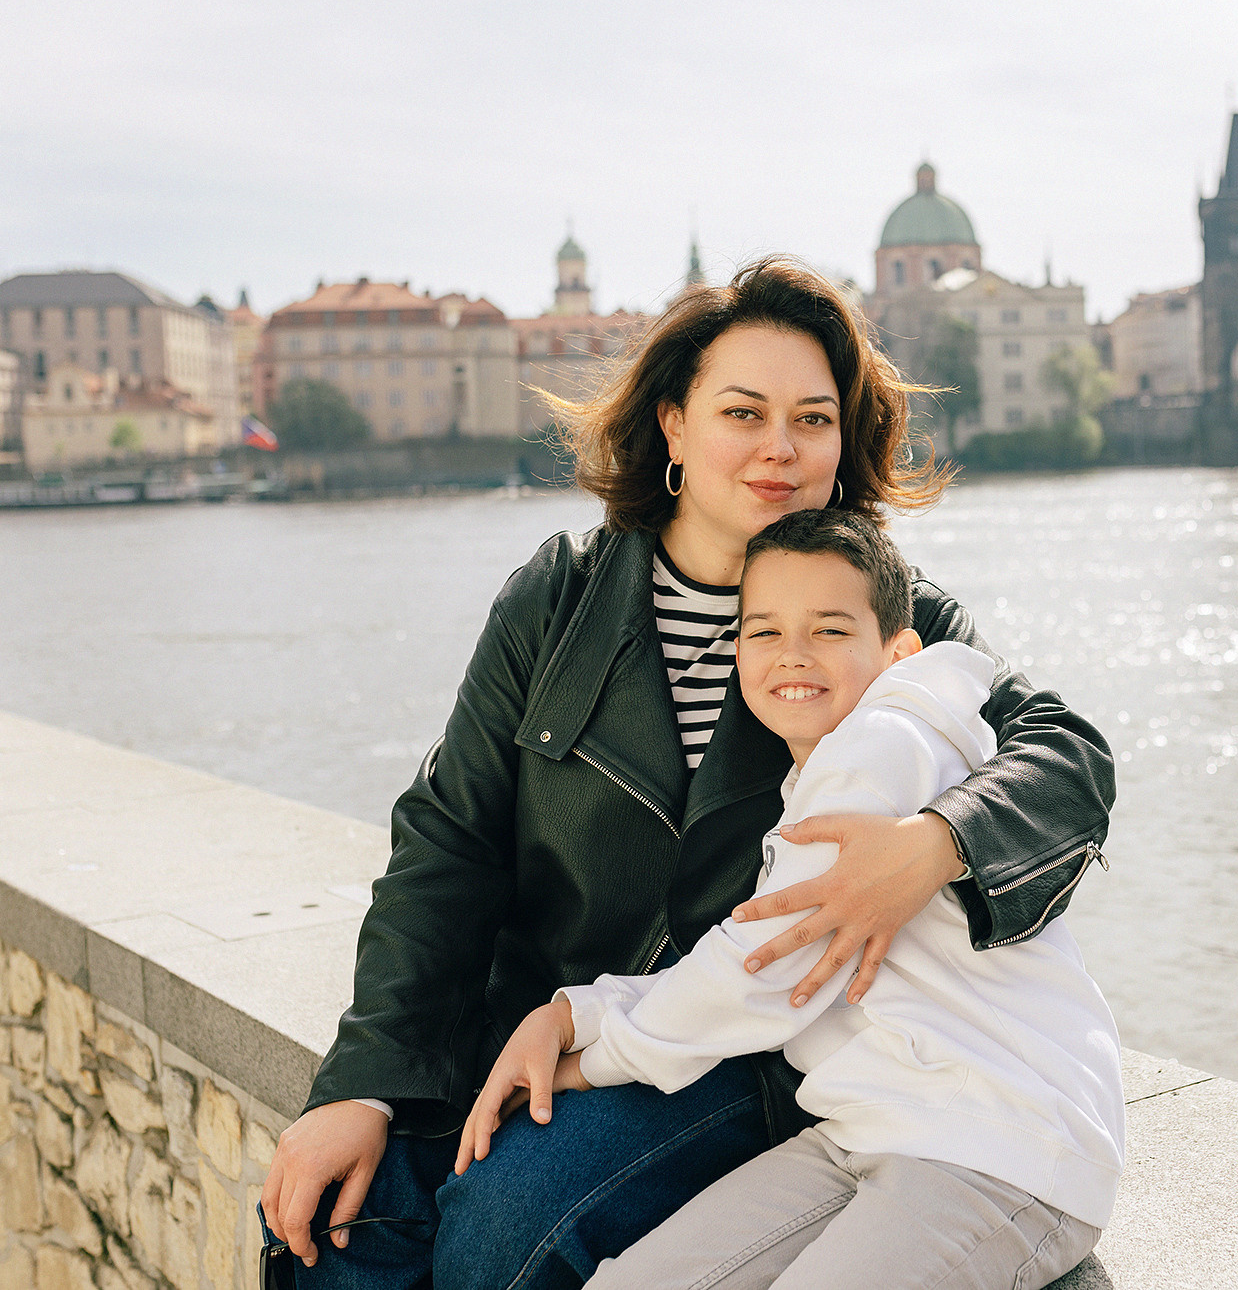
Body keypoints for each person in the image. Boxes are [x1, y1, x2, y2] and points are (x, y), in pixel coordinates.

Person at [258, 258, 1116, 1289]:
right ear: (672, 425)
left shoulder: (893, 616)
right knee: (337, 1224)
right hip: (540, 1014)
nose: (779, 448)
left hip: (736, 1056)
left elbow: (1065, 755)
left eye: (812, 418)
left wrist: (928, 849)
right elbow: (447, 844)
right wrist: (362, 1084)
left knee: (510, 1226)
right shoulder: (557, 598)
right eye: (742, 411)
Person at [457, 509, 1123, 1290]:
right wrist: (582, 1010)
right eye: (764, 632)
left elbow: (766, 971)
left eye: (831, 630)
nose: (793, 655)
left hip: (1000, 1142)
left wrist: (593, 1054)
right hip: (864, 1129)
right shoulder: (813, 782)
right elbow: (760, 944)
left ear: (899, 651)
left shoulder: (890, 740)